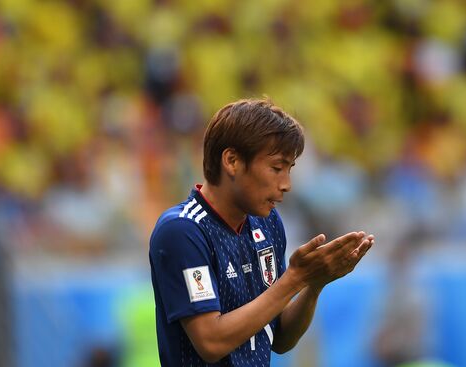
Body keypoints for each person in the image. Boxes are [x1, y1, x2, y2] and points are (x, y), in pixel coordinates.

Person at [149, 98, 375, 366]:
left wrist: (314, 283)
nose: (287, 184)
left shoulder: (267, 224)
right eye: (277, 168)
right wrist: (293, 279)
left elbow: (280, 338)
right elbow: (210, 342)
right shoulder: (183, 231)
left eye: (290, 169)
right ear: (232, 161)